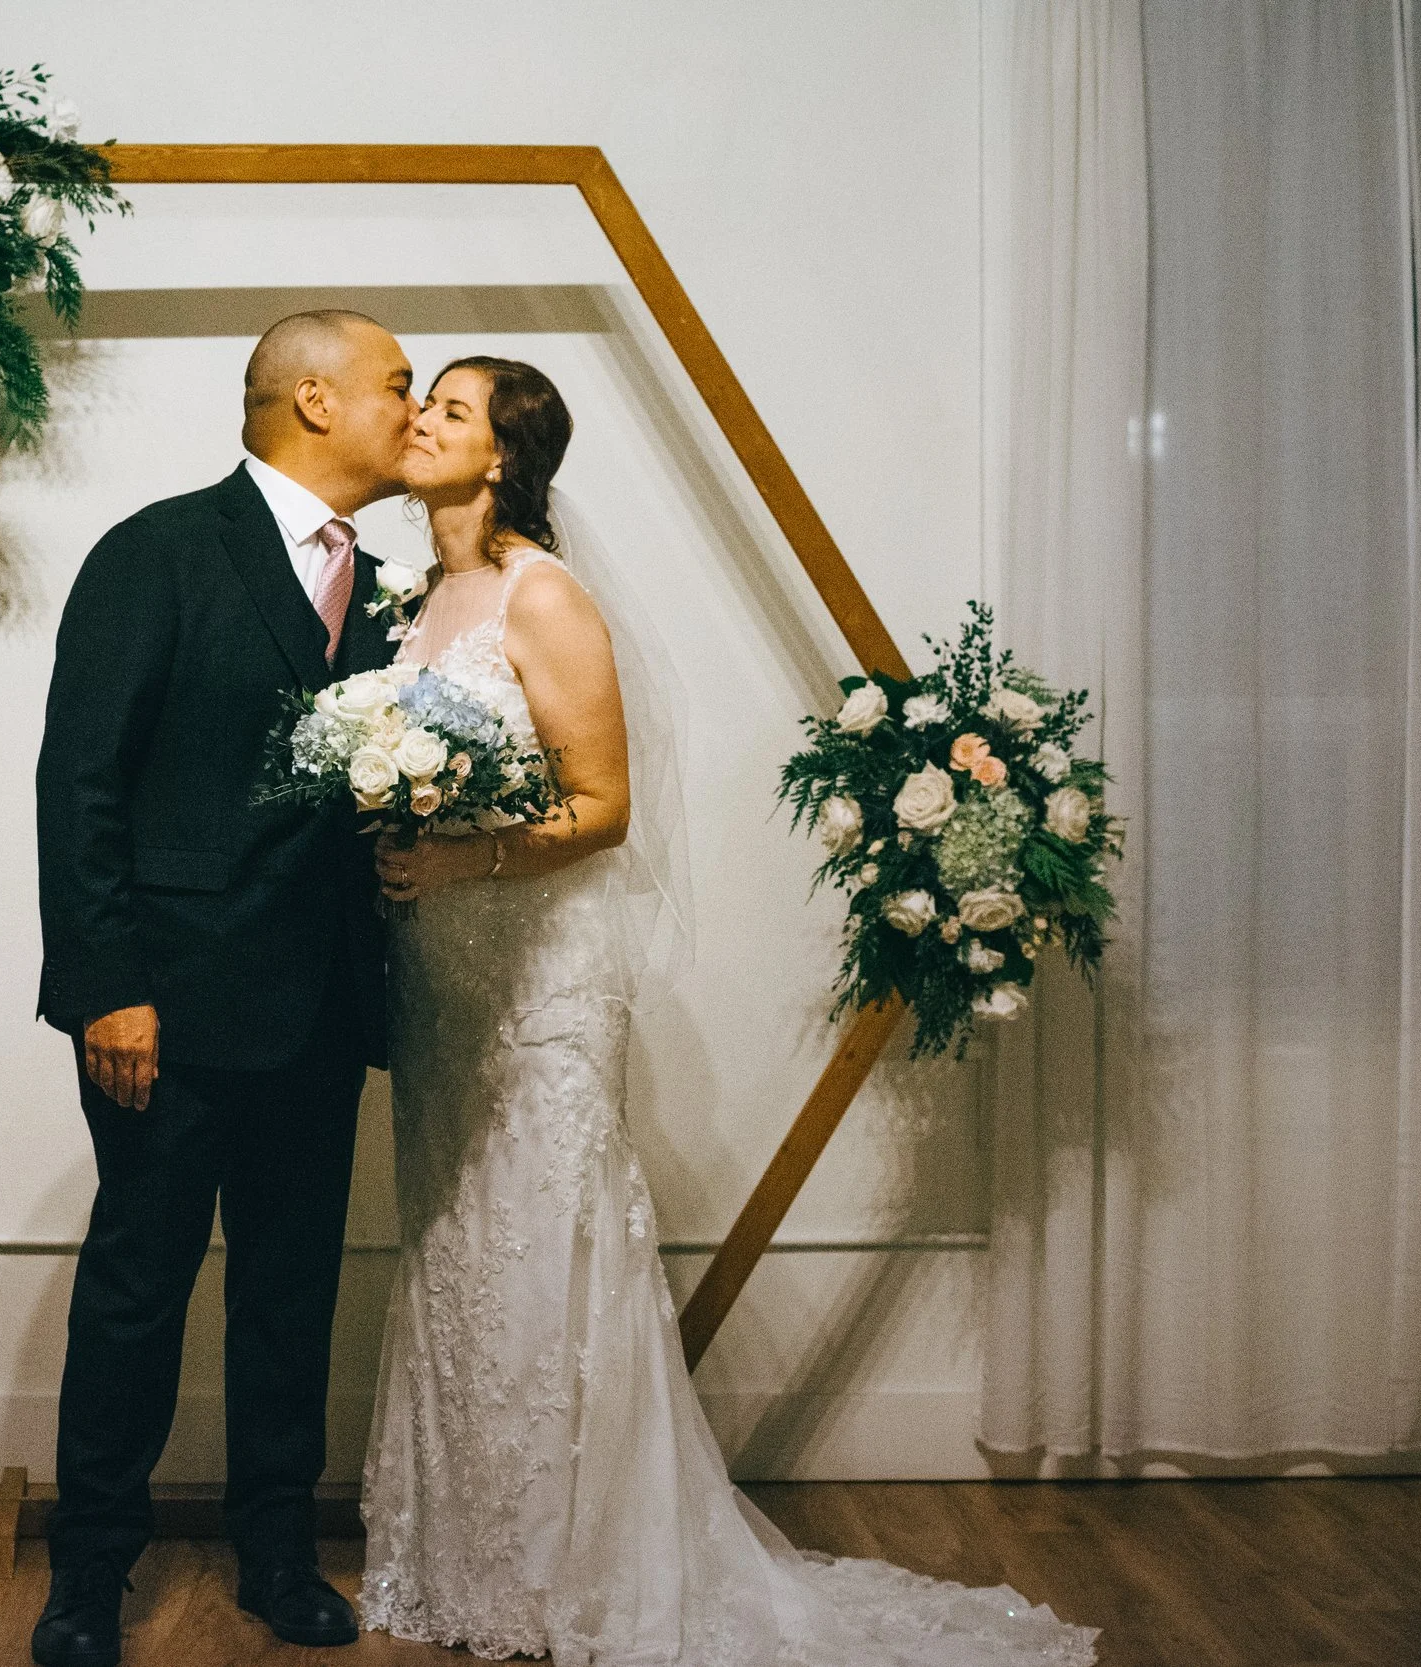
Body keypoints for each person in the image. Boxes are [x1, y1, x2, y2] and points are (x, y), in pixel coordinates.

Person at [360, 356, 1102, 1666]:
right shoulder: (423, 595)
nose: (421, 416)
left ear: (505, 458)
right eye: (425, 400)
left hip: (535, 981)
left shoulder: (546, 596)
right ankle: (475, 1555)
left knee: (545, 1238)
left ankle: (577, 1568)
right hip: (439, 982)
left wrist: (458, 855)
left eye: (452, 409)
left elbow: (603, 810)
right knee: (462, 1245)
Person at [29, 310, 418, 1667]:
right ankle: (87, 1574)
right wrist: (106, 986)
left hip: (319, 1006)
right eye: (395, 387)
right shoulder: (157, 551)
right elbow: (77, 783)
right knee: (137, 1287)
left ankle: (275, 1551)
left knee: (291, 1291)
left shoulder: (383, 584)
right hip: (168, 1008)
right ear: (313, 400)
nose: (411, 412)